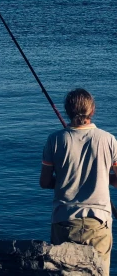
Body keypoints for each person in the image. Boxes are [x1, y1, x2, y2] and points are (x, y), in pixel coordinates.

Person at [40, 88, 117, 276]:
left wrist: (64, 179)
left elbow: (44, 182)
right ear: (92, 111)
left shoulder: (55, 140)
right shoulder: (109, 140)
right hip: (98, 223)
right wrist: (99, 176)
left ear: (68, 111)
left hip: (63, 221)